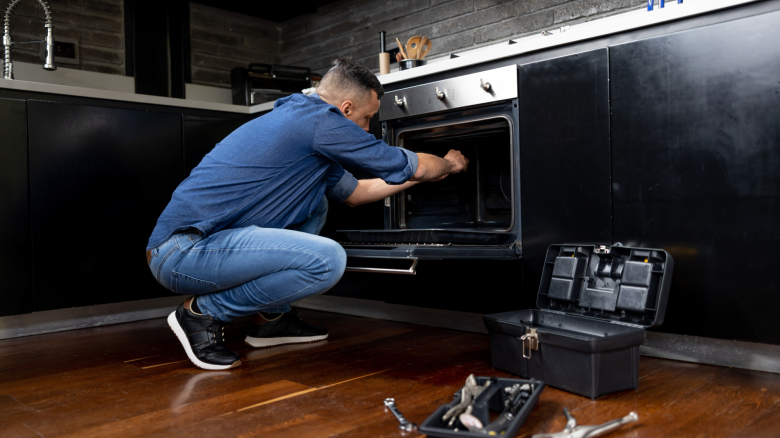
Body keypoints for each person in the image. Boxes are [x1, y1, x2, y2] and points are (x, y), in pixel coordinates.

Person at [145, 58, 469, 370]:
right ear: (345, 109)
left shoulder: (305, 126)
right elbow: (411, 163)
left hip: (197, 249)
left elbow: (356, 193)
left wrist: (412, 181)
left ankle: (272, 320)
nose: (368, 129)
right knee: (328, 260)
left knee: (317, 203)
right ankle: (202, 314)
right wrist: (449, 163)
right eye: (367, 117)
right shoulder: (320, 121)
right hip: (182, 253)